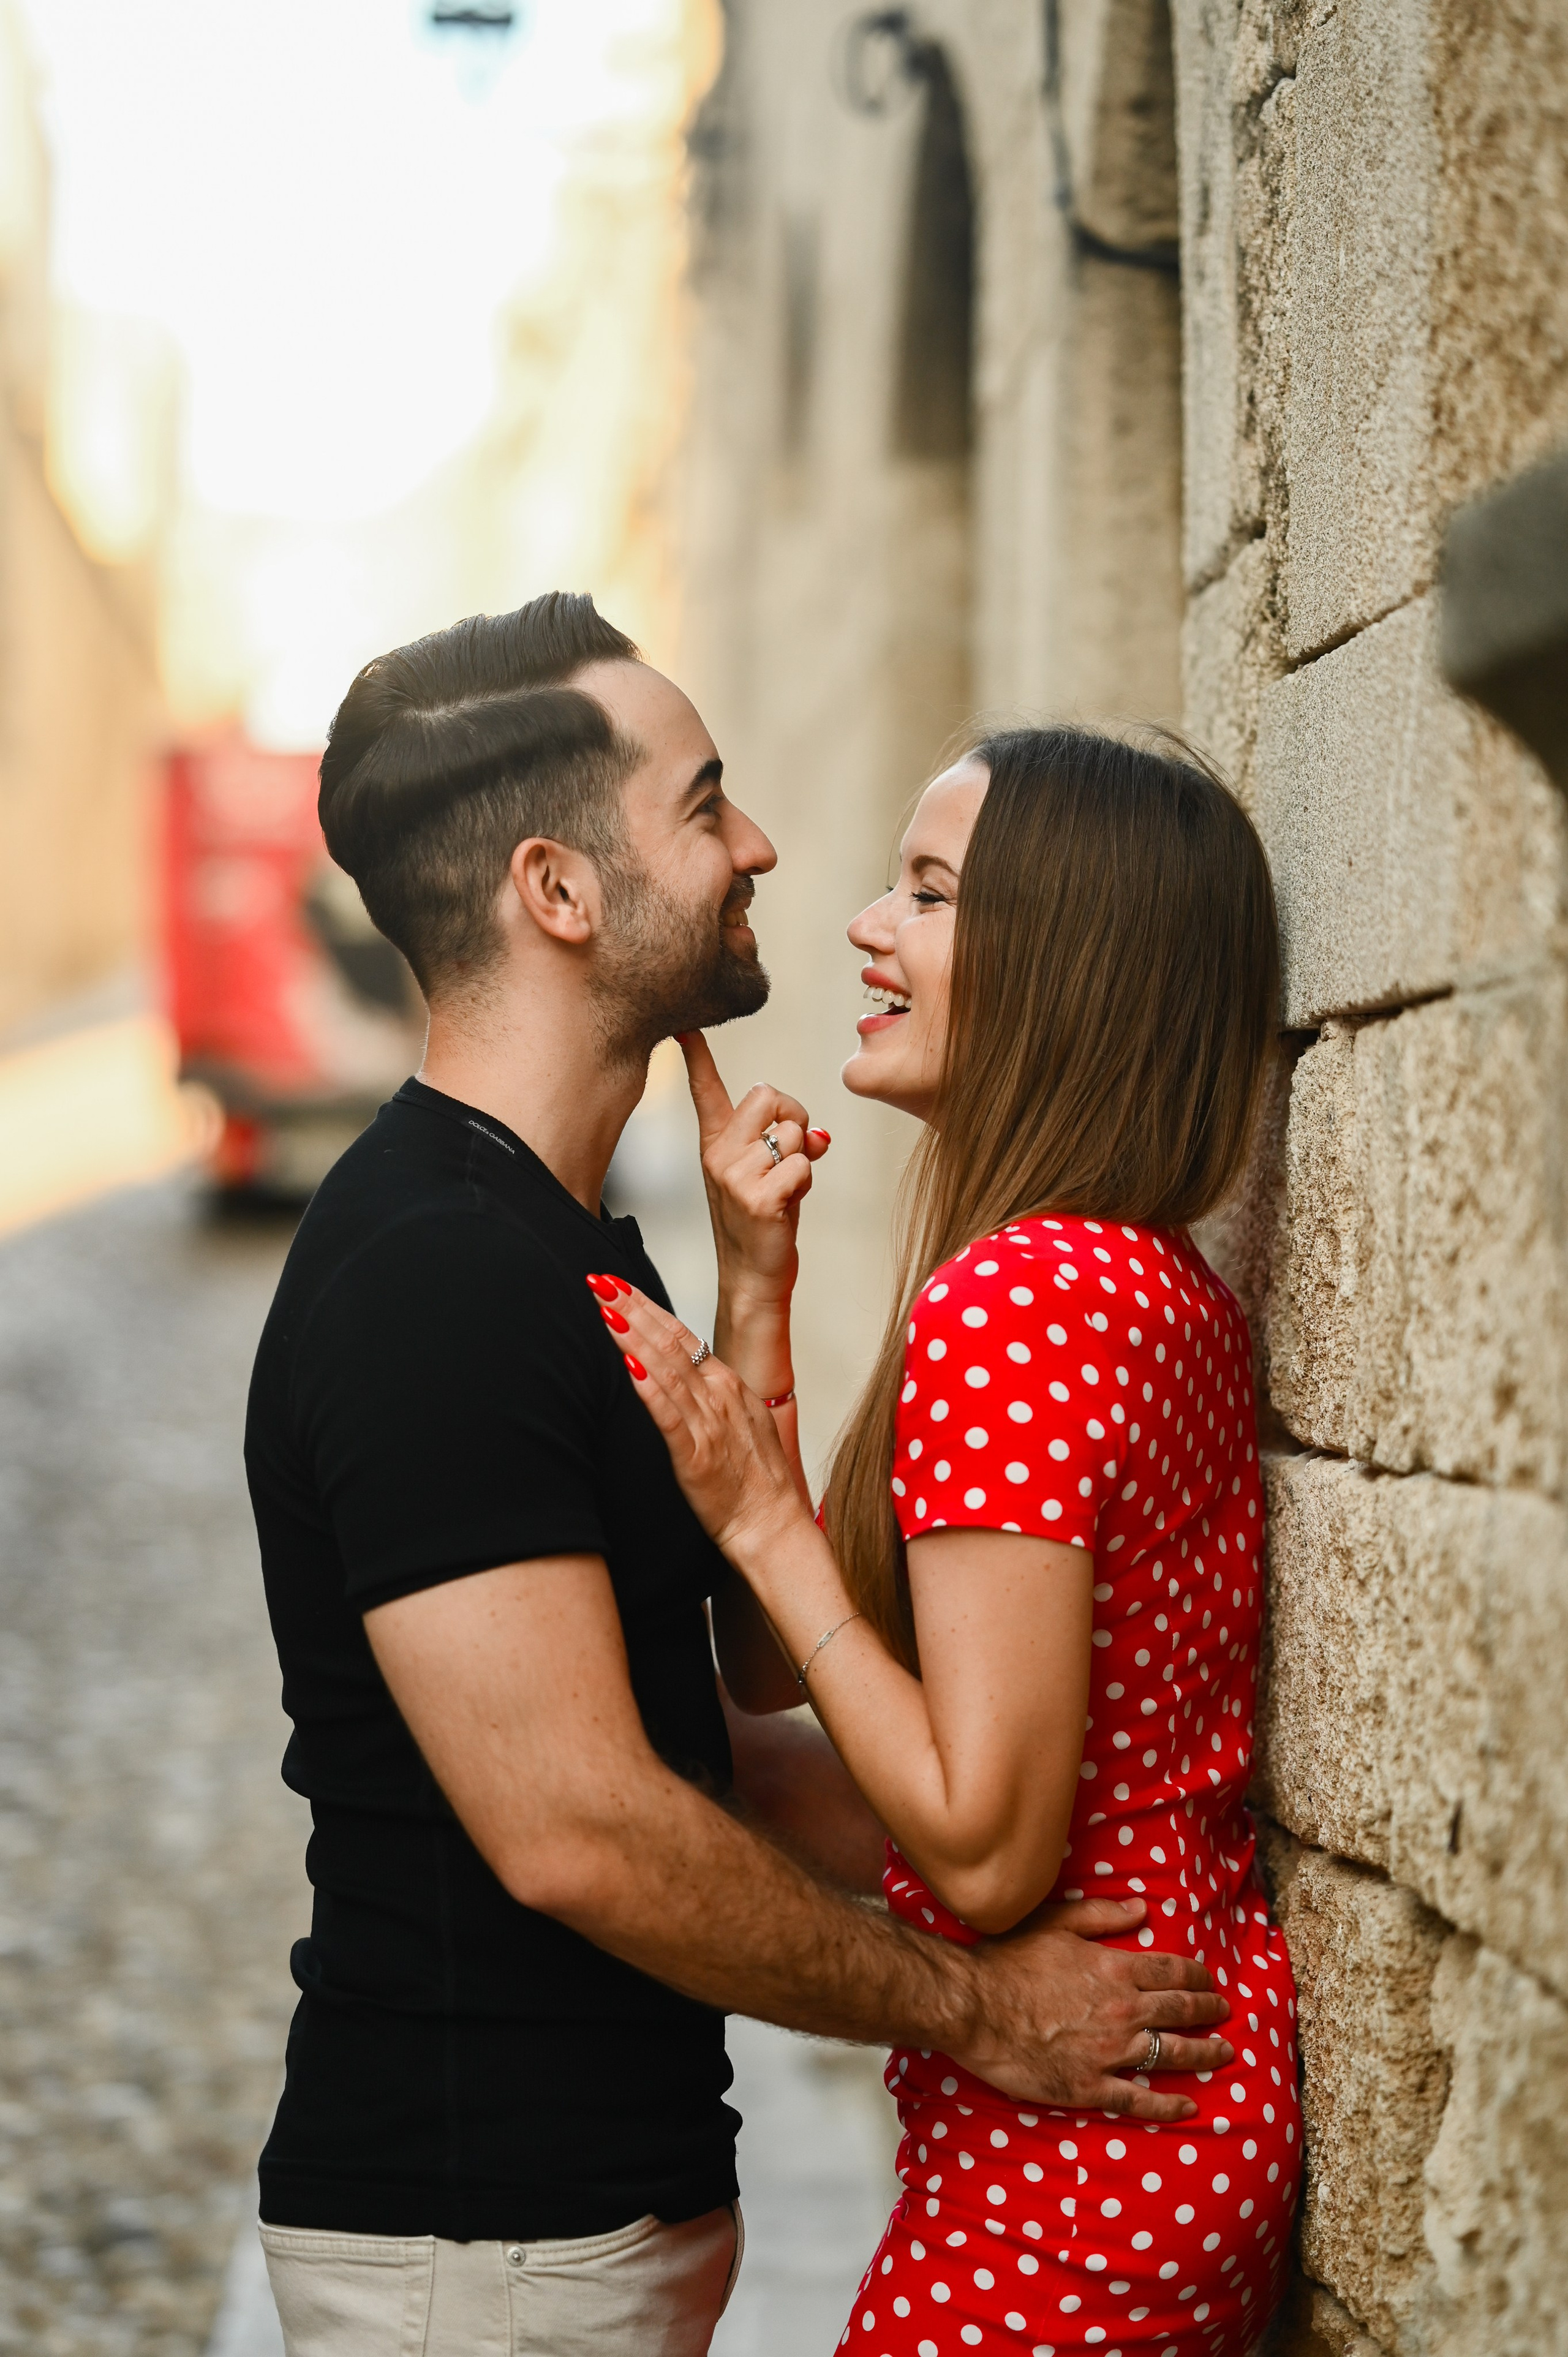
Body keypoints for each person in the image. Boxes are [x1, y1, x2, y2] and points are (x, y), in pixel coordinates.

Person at [244, 599, 1235, 2357]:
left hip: (591, 2233)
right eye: (705, 807)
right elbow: (582, 1831)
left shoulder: (563, 1252)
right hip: (476, 2253)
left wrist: (755, 1310)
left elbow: (737, 1718)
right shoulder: (430, 1284)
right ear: (558, 892)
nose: (763, 846)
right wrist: (976, 2005)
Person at [606, 722, 1300, 2355]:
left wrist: (764, 1520)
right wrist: (760, 1299)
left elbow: (985, 1845)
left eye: (927, 892)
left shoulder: (1029, 1301)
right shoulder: (1136, 1275)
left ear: (1064, 967)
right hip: (1169, 2102)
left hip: (1080, 2155)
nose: (865, 923)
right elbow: (783, 1669)